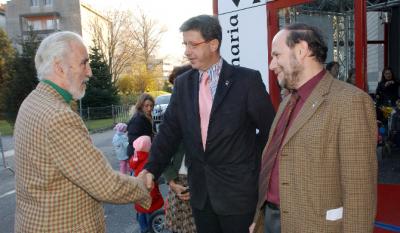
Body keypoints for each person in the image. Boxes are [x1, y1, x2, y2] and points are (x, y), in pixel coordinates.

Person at [141, 15, 275, 233]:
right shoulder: (183, 84)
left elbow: (271, 130)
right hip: (201, 194)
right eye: (184, 44)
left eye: (193, 44)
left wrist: (249, 157)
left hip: (237, 194)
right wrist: (151, 169)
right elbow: (168, 133)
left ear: (213, 44)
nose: (186, 51)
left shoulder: (246, 81)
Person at [13, 31, 150, 233]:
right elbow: (104, 184)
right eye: (84, 63)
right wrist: (142, 185)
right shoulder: (58, 117)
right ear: (59, 67)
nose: (90, 72)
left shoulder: (32, 101)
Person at [251, 23, 377, 233]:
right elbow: (274, 165)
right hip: (273, 220)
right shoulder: (287, 102)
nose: (272, 65)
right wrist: (261, 219)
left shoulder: (350, 101)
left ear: (301, 50)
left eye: (276, 55)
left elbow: (359, 190)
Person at [163, 64, 197, 233]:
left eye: (179, 85)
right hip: (178, 184)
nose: (175, 92)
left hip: (201, 185)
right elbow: (162, 152)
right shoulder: (170, 116)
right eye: (174, 86)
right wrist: (171, 182)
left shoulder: (206, 112)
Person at [130, 136, 164, 233]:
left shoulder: (135, 158)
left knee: (141, 214)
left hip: (139, 196)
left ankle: (143, 229)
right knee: (152, 216)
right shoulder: (148, 161)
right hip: (150, 196)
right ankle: (153, 229)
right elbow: (151, 182)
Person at [127, 93, 154, 159]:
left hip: (143, 153)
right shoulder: (137, 120)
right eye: (146, 106)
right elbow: (133, 139)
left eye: (151, 105)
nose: (149, 108)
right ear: (141, 106)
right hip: (137, 155)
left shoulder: (146, 117)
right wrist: (151, 139)